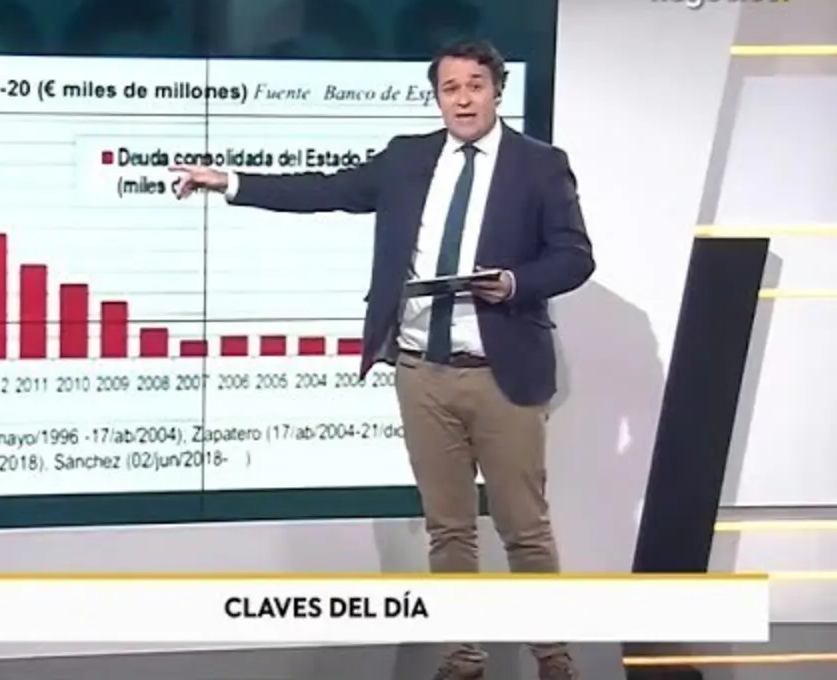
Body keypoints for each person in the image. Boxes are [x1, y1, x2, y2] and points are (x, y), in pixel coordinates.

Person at [171, 40, 592, 680]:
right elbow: (325, 189)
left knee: (524, 528)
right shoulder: (406, 158)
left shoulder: (539, 165)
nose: (463, 100)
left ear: (497, 91)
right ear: (437, 98)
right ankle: (462, 656)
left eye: (475, 86)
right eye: (450, 88)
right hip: (422, 373)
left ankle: (553, 656)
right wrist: (230, 182)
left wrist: (513, 283)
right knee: (448, 528)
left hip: (501, 375)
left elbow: (574, 257)